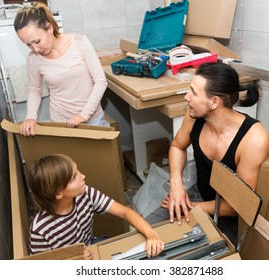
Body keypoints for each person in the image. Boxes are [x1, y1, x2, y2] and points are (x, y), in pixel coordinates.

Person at [146, 62, 269, 245]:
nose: (186, 97)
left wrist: (191, 208)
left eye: (193, 93)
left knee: (194, 255)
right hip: (200, 195)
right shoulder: (194, 115)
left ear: (214, 102)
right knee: (147, 232)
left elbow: (239, 205)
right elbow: (177, 146)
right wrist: (176, 184)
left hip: (230, 214)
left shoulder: (253, 140)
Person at [28, 154, 164, 259]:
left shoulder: (85, 193)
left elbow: (124, 211)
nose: (83, 176)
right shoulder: (40, 230)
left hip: (93, 246)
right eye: (74, 177)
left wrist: (151, 234)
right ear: (58, 193)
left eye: (78, 171)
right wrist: (73, 260)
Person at [14, 2, 108, 136]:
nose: (35, 49)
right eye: (28, 45)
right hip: (61, 123)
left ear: (50, 28)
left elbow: (100, 81)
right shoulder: (33, 59)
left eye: (37, 41)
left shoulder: (80, 43)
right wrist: (30, 117)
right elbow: (35, 89)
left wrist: (84, 115)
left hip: (92, 120)